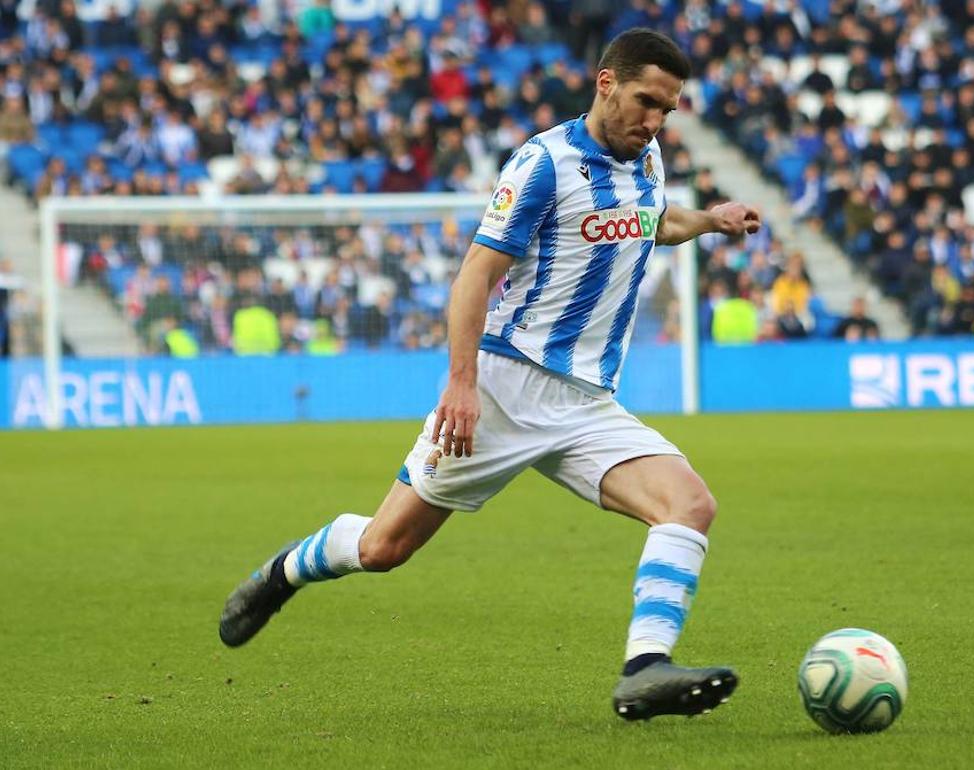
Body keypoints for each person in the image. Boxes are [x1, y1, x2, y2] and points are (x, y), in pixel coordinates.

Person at [219, 29, 761, 722]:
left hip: (587, 404)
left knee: (689, 505)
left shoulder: (646, 156)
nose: (654, 120)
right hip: (505, 390)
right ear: (605, 84)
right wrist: (462, 381)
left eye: (667, 110)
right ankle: (282, 572)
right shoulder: (543, 164)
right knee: (385, 547)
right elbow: (476, 273)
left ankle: (644, 668)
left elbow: (652, 221)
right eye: (644, 101)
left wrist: (711, 221)